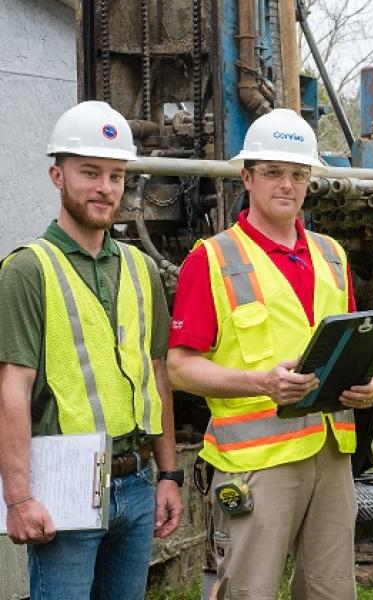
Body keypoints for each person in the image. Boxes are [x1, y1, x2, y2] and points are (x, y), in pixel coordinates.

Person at [167, 108, 373, 599]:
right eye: (274, 173)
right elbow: (179, 367)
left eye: (298, 174)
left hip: (330, 455)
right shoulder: (213, 258)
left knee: (331, 591)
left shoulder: (332, 254)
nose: (288, 185)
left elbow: (348, 345)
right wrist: (261, 382)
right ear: (247, 177)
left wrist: (364, 386)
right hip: (255, 464)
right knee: (250, 592)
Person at [0, 101, 183, 600]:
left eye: (116, 175)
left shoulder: (142, 269)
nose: (106, 188)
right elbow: (11, 390)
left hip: (138, 483)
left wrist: (168, 474)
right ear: (57, 176)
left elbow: (156, 375)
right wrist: (17, 498)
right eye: (90, 173)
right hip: (65, 488)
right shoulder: (27, 270)